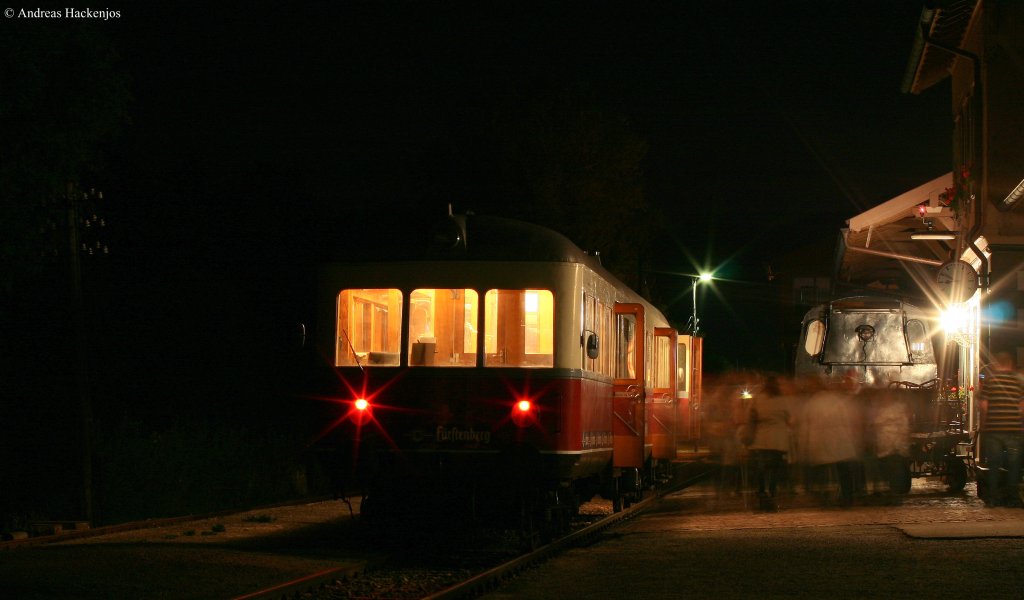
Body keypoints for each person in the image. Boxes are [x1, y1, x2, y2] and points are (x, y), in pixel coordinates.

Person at [978, 352, 1024, 508]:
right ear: (1010, 364)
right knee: (1013, 465)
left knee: (994, 465)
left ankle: (992, 498)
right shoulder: (1018, 382)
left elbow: (984, 405)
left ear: (997, 364)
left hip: (994, 429)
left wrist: (984, 425)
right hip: (1013, 429)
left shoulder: (990, 382)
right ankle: (1013, 498)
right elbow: (1022, 406)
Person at [745, 375, 793, 511]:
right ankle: (772, 493)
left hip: (762, 439)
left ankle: (761, 492)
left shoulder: (758, 399)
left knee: (761, 467)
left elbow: (751, 417)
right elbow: (790, 417)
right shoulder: (783, 400)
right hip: (778, 439)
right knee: (774, 468)